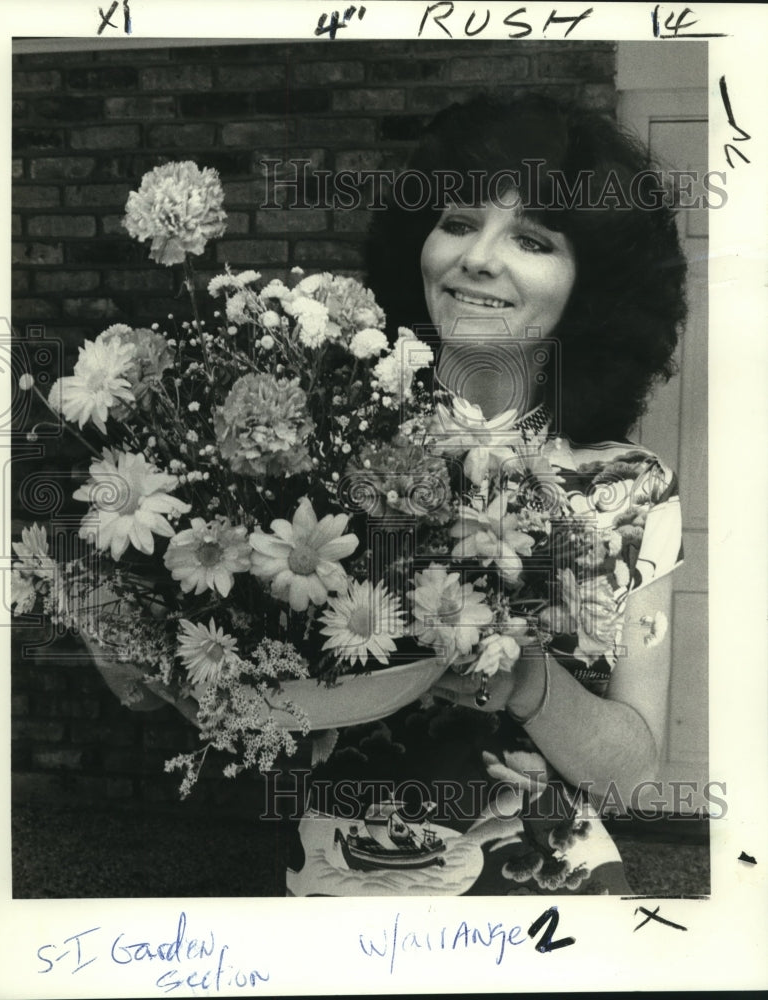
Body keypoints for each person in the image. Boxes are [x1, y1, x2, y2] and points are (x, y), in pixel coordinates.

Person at [290, 92, 687, 896]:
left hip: (545, 899)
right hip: (336, 885)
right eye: (460, 221)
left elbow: (634, 775)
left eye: (533, 239)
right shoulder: (322, 443)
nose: (477, 258)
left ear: (592, 288)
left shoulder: (629, 491)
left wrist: (528, 680)